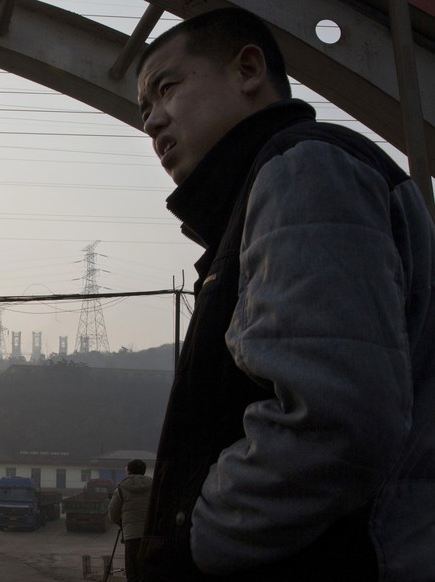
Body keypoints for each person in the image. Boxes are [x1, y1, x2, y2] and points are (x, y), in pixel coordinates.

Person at [134, 7, 435, 582]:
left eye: (166, 89)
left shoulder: (304, 168)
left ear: (248, 69)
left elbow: (334, 419)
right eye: (144, 111)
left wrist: (193, 543)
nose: (152, 122)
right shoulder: (265, 195)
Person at [108, 459, 152, 582]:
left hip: (131, 537)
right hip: (151, 536)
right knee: (149, 571)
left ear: (129, 471)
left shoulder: (121, 488)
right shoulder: (154, 486)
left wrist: (122, 523)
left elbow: (112, 515)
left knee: (133, 573)